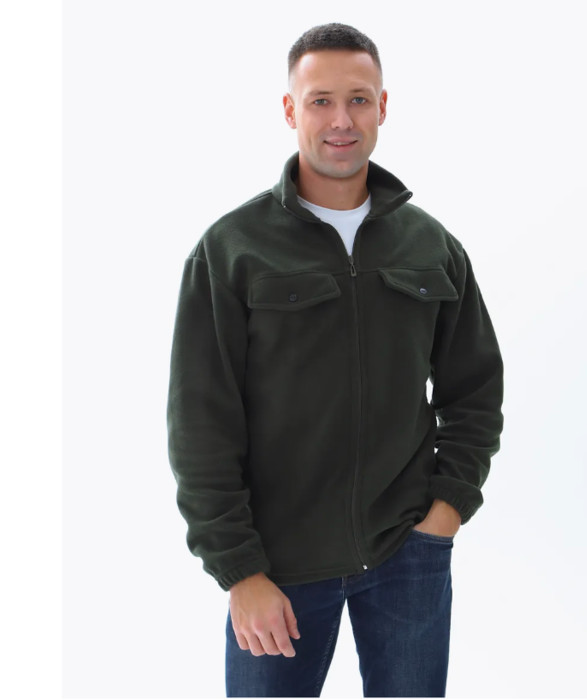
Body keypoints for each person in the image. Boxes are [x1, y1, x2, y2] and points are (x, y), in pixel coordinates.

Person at [167, 22, 504, 698]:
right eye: (320, 100)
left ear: (383, 107)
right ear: (290, 110)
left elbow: (474, 392)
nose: (341, 120)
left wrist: (443, 514)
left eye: (358, 99)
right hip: (276, 568)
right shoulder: (230, 250)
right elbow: (201, 424)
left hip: (407, 555)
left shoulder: (431, 245)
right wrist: (239, 571)